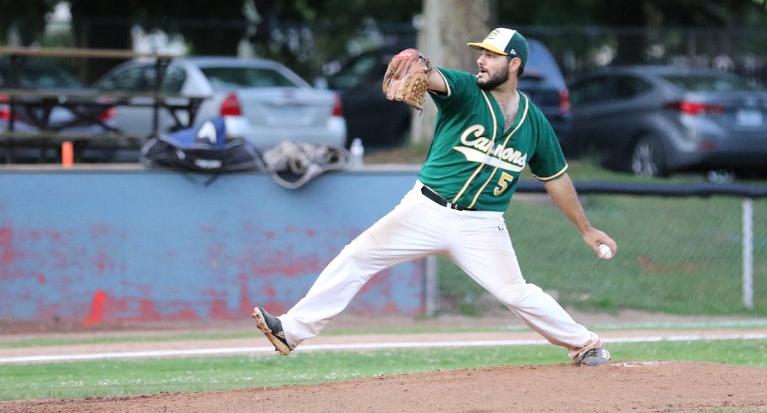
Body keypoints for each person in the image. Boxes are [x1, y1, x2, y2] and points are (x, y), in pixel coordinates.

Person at [253, 28, 618, 365]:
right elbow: (434, 78)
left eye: (491, 55)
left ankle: (585, 344)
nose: (481, 60)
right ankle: (290, 331)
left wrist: (586, 230)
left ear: (514, 64)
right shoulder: (465, 89)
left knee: (515, 293)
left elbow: (557, 179)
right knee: (357, 256)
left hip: (482, 225)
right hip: (425, 210)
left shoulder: (534, 122)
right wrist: (417, 65)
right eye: (481, 53)